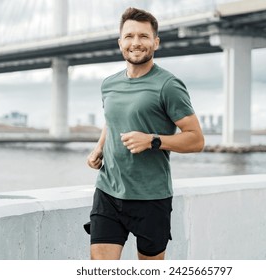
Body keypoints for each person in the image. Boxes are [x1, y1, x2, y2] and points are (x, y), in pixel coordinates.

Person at [85, 7, 204, 260]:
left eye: (143, 36)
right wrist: (99, 148)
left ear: (156, 42)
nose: (135, 43)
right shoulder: (109, 84)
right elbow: (112, 121)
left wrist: (153, 140)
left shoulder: (168, 86)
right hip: (108, 191)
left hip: (151, 198)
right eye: (129, 36)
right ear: (120, 42)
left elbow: (196, 139)